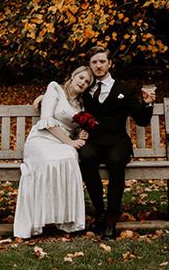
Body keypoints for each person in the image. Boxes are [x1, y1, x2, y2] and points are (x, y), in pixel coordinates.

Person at [79, 46, 155, 238]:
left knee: (115, 161)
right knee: (85, 157)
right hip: (94, 141)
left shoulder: (125, 89)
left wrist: (147, 103)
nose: (98, 65)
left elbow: (142, 121)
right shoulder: (85, 89)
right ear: (89, 65)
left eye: (102, 61)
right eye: (94, 62)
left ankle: (112, 217)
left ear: (109, 64)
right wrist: (44, 97)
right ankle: (100, 213)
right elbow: (65, 95)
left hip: (117, 141)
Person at [13, 66, 93, 239]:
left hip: (62, 143)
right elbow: (47, 120)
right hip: (42, 139)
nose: (83, 83)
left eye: (87, 82)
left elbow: (78, 128)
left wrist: (81, 134)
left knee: (70, 157)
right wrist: (70, 142)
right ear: (72, 76)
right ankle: (38, 218)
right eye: (81, 78)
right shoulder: (55, 88)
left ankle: (66, 220)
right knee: (50, 160)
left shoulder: (82, 104)